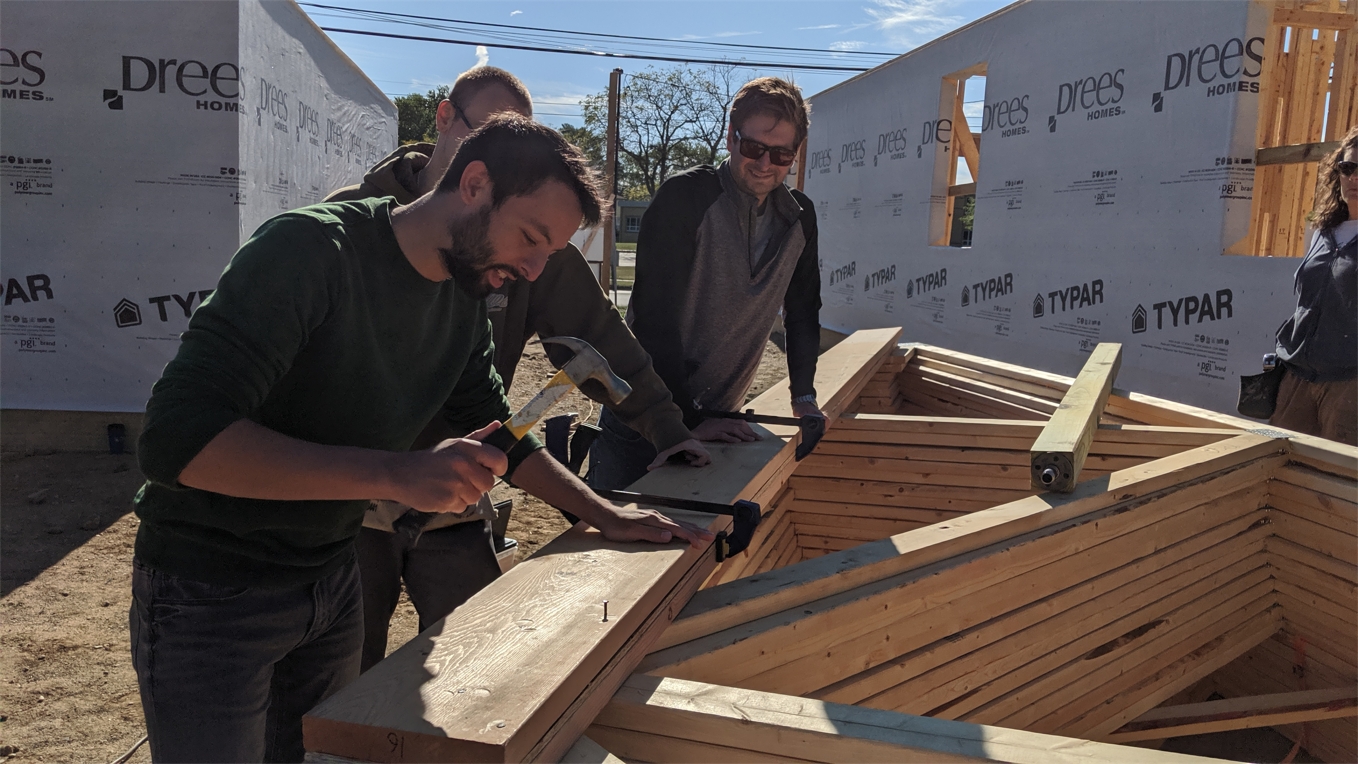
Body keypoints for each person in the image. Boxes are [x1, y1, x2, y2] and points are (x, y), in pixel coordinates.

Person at [129, 115, 713, 763]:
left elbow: (502, 432)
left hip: (329, 578)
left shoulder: (459, 297)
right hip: (211, 595)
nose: (533, 267)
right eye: (530, 238)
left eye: (549, 252)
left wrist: (607, 515)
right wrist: (392, 475)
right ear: (473, 183)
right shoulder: (310, 253)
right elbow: (177, 442)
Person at [326, 66, 710, 672]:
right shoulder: (345, 233)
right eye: (492, 131)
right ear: (448, 121)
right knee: (340, 675)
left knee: (477, 663)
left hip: (456, 489)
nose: (530, 268)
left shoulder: (526, 249)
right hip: (347, 500)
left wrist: (668, 430)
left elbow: (599, 342)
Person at [588, 77, 823, 490]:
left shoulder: (800, 217)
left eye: (782, 154)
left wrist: (803, 396)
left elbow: (803, 310)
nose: (766, 164)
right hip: (644, 412)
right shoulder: (685, 198)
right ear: (730, 137)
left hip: (719, 414)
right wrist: (687, 418)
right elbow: (652, 320)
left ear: (796, 152)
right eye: (754, 148)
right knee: (609, 534)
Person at [1269, 125, 1358, 446]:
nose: (1354, 177)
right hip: (1298, 375)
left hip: (1349, 383)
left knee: (1336, 481)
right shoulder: (1323, 230)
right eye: (1348, 167)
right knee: (1279, 466)